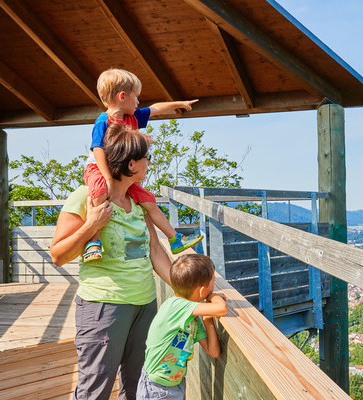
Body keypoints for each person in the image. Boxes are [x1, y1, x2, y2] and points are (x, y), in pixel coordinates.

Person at [50, 123, 173, 400]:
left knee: (137, 384)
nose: (149, 162)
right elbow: (58, 255)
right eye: (146, 158)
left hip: (145, 306)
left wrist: (185, 287)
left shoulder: (139, 202)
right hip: (102, 308)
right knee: (96, 390)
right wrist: (91, 224)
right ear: (131, 164)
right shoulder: (85, 198)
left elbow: (154, 251)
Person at [83, 68, 202, 261]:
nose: (138, 102)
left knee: (149, 200)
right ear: (122, 96)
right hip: (99, 167)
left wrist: (180, 103)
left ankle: (174, 239)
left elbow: (155, 109)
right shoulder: (103, 121)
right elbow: (98, 150)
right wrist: (107, 178)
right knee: (99, 192)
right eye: (136, 97)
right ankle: (93, 242)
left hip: (123, 171)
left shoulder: (133, 117)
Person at [137, 254, 228, 400]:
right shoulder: (175, 306)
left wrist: (207, 321)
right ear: (202, 290)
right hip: (156, 389)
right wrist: (213, 297)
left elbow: (214, 352)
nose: (213, 287)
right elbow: (222, 308)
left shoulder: (191, 319)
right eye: (213, 283)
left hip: (175, 384)